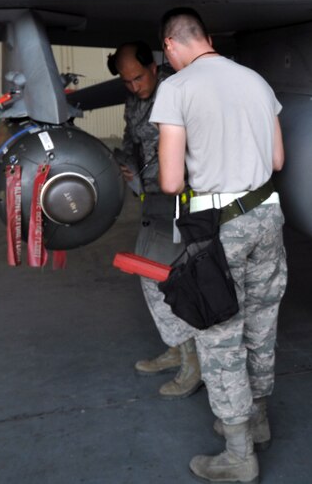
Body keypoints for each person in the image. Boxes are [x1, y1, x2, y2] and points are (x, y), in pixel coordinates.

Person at [150, 7, 288, 484]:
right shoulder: (255, 81)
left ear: (170, 46)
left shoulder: (176, 89)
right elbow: (277, 158)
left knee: (220, 333)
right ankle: (259, 421)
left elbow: (170, 181)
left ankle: (238, 454)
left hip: (219, 226)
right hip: (267, 216)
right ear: (205, 37)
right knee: (261, 323)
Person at [108, 41, 202, 400]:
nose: (134, 87)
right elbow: (133, 139)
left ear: (153, 67)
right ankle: (177, 347)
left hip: (181, 201)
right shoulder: (134, 99)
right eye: (126, 81)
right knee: (153, 276)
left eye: (137, 78)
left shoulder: (178, 91)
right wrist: (128, 166)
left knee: (168, 277)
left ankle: (191, 363)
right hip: (151, 198)